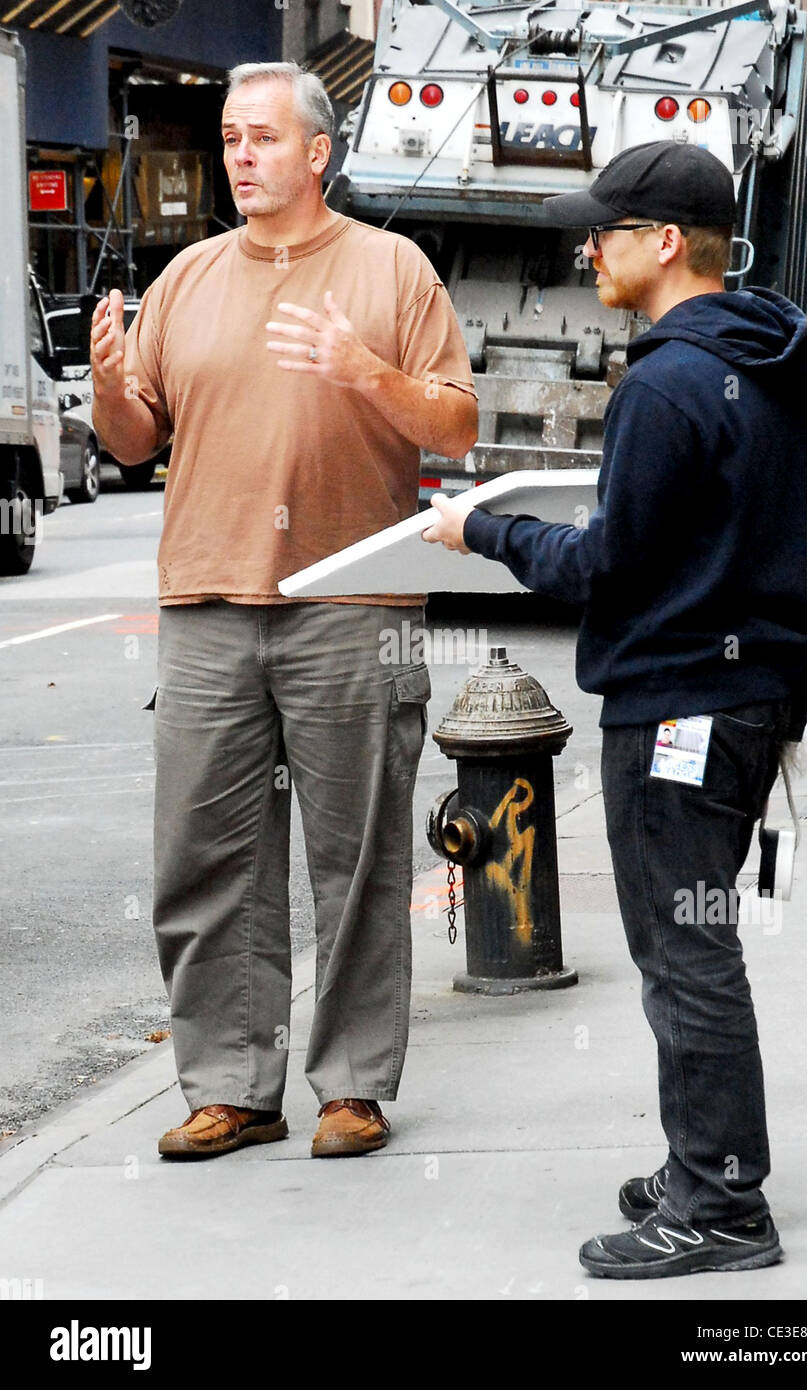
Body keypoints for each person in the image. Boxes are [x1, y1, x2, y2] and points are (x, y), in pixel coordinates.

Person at [423, 141, 807, 1278]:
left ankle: (718, 1205)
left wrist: (484, 530)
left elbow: (607, 564)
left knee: (683, 951)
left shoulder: (661, 379)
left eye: (603, 228)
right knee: (693, 943)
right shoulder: (776, 357)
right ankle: (703, 1164)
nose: (583, 245)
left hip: (676, 708)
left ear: (663, 243)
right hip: (749, 694)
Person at [90, 61, 477, 1161]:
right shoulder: (188, 279)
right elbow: (133, 441)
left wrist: (363, 372)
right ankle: (230, 1085)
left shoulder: (391, 269)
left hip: (351, 599)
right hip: (209, 600)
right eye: (228, 139)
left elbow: (453, 423)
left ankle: (351, 1084)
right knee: (205, 857)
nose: (241, 156)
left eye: (261, 137)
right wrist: (113, 388)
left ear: (316, 154)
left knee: (355, 862)